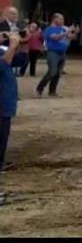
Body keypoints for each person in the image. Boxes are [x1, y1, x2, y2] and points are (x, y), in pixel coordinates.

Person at [35, 13, 78, 98]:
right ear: (55, 19)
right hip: (53, 53)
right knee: (52, 72)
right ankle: (39, 89)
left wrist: (75, 33)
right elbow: (55, 38)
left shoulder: (62, 29)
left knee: (57, 74)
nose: (63, 21)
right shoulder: (50, 29)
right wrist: (66, 33)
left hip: (62, 53)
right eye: (61, 19)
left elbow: (72, 37)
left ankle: (52, 92)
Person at [0, 31, 21, 198]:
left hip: (5, 98)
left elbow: (18, 60)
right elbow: (2, 64)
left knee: (4, 132)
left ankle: (1, 160)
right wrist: (12, 45)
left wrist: (15, 46)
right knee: (1, 133)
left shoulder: (2, 49)